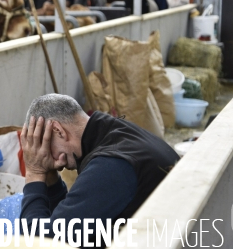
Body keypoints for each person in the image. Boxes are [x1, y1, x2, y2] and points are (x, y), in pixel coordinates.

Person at [19, 94, 179, 244]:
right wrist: (50, 177)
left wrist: (34, 172)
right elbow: (69, 221)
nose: (46, 158)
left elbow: (39, 243)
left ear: (58, 130)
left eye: (44, 146)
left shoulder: (111, 166)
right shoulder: (119, 135)